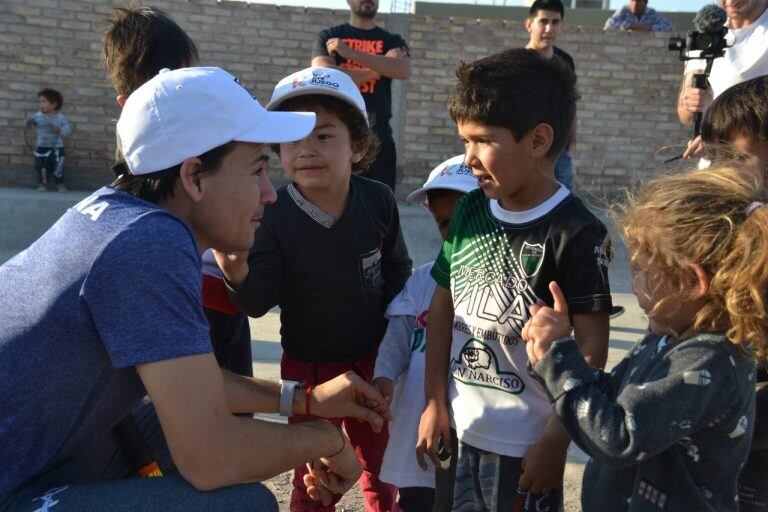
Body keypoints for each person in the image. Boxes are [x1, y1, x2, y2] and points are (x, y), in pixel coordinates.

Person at [0, 66, 392, 511]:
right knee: (241, 504)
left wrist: (304, 400)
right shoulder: (148, 245)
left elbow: (195, 383)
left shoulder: (123, 218)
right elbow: (211, 457)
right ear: (194, 177)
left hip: (29, 456)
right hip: (15, 484)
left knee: (174, 418)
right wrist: (323, 438)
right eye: (257, 169)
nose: (268, 193)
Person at [416, 49, 612, 511]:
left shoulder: (578, 233)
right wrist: (435, 402)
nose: (469, 159)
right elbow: (442, 306)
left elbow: (592, 350)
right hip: (460, 428)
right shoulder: (468, 210)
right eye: (463, 140)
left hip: (527, 446)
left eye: (482, 140)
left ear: (539, 140)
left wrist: (556, 442)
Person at [222, 66, 412, 511]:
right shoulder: (272, 213)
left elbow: (397, 274)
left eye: (323, 136)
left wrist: (397, 356)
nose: (305, 150)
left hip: (371, 361)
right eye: (291, 139)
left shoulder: (378, 200)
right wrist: (236, 270)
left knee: (379, 469)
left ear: (358, 145)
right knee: (314, 474)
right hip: (306, 370)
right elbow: (258, 299)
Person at [524, 164, 765, 511]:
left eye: (642, 270)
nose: (634, 283)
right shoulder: (670, 338)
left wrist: (559, 360)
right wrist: (555, 354)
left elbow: (618, 437)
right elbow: (613, 395)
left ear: (691, 281)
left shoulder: (708, 361)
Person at [103, 6, 253, 378]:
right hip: (184, 300)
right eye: (156, 91)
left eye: (179, 83)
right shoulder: (137, 202)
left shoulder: (207, 130)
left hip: (220, 299)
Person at [372, 154, 478, 512]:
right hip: (419, 426)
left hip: (473, 429)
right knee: (418, 498)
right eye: (446, 222)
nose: (455, 231)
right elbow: (399, 333)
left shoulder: (500, 286)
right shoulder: (423, 279)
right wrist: (384, 377)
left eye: (468, 217)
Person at [696, 75, 768, 512]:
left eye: (735, 157)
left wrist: (720, 418)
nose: (721, 171)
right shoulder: (734, 223)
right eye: (714, 157)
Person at [311, 0, 412, 191]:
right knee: (335, 201)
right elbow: (323, 74)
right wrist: (379, 69)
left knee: (380, 204)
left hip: (379, 136)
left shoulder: (392, 40)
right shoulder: (330, 36)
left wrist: (350, 53)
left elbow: (403, 70)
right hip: (337, 135)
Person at [679, 0, 768, 159]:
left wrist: (721, 135)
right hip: (715, 168)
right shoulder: (706, 33)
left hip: (758, 170)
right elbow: (684, 115)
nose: (729, 1)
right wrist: (694, 103)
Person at [525, 0, 577, 191]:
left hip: (559, 148)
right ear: (529, 24)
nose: (549, 28)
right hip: (525, 147)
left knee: (563, 200)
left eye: (555, 22)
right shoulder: (517, 62)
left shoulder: (565, 61)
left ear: (562, 26)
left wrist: (572, 144)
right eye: (543, 21)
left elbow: (570, 103)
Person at [28, 88, 70, 192]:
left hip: (57, 148)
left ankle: (60, 184)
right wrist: (29, 122)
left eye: (44, 102)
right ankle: (42, 184)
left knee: (57, 167)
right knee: (40, 167)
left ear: (54, 104)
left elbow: (67, 131)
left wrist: (59, 130)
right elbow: (30, 128)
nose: (41, 104)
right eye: (40, 102)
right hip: (41, 147)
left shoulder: (60, 118)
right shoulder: (37, 116)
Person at [604, 0, 674, 31]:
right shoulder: (624, 10)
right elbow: (608, 24)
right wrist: (629, 26)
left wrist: (650, 28)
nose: (635, 4)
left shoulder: (652, 13)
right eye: (633, 1)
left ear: (645, 3)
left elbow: (670, 27)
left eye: (638, 1)